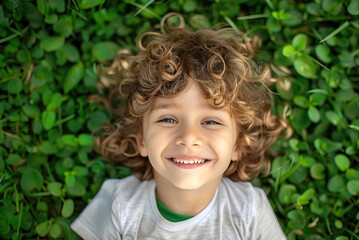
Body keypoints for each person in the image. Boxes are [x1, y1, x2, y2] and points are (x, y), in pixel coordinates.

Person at [71, 12, 291, 240]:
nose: (189, 136)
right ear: (141, 139)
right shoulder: (119, 204)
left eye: (211, 121)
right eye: (168, 119)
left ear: (238, 144)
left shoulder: (248, 210)